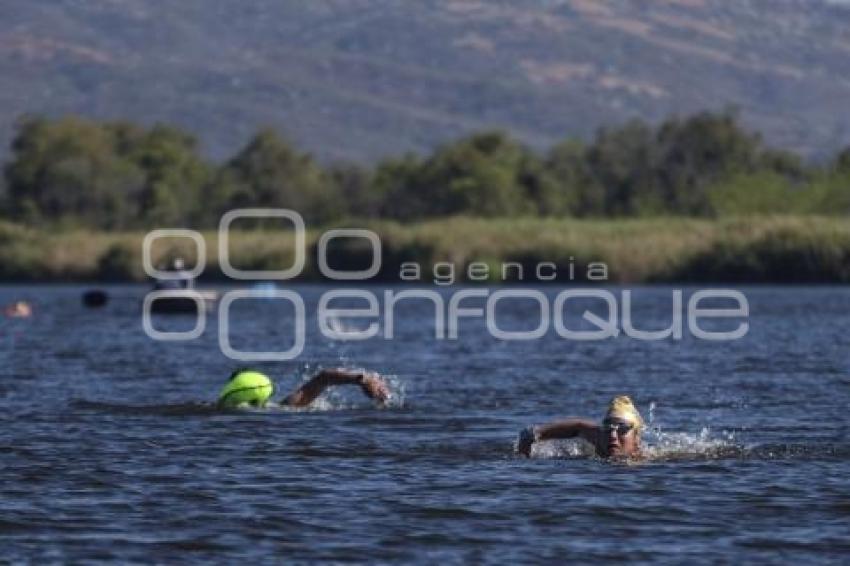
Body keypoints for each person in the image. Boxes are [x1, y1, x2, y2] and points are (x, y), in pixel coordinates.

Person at [517, 395, 645, 458]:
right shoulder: (601, 436)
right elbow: (578, 427)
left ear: (636, 438)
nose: (612, 435)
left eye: (622, 429)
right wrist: (532, 435)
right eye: (608, 428)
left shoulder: (647, 462)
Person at [217, 367, 390, 409]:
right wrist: (361, 379)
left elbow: (323, 378)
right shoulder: (284, 408)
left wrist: (361, 379)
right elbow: (323, 378)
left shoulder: (284, 408)